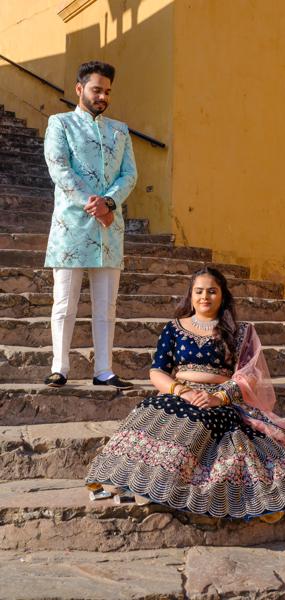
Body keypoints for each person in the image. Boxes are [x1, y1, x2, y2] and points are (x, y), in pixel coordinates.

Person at [86, 267, 285, 520]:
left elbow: (250, 373)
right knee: (150, 412)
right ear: (190, 295)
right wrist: (182, 392)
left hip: (220, 397)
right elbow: (157, 372)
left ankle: (162, 483)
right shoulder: (174, 328)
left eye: (212, 291)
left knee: (201, 423)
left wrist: (219, 397)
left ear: (222, 296)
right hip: (179, 393)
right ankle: (128, 477)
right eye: (198, 291)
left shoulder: (239, 331)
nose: (204, 297)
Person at [43, 61, 137, 390]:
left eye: (107, 91)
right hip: (71, 226)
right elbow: (59, 169)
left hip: (109, 228)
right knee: (65, 302)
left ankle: (104, 370)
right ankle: (60, 367)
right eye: (97, 89)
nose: (103, 96)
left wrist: (109, 203)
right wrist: (95, 205)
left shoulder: (120, 130)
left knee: (106, 305)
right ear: (79, 89)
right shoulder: (60, 124)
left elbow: (130, 175)